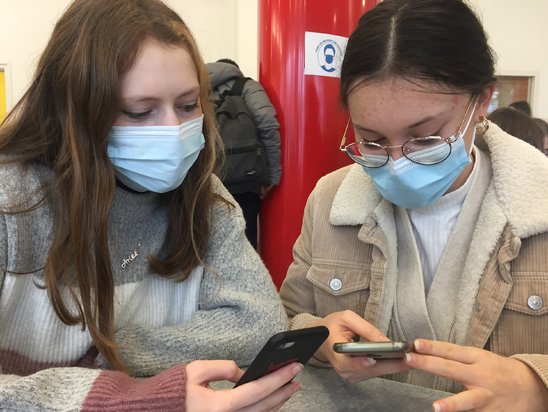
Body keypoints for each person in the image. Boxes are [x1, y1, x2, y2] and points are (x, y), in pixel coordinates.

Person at [0, 1, 302, 410]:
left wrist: (108, 353)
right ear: (74, 110)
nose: (173, 132)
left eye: (188, 105)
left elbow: (259, 323)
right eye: (139, 112)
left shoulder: (205, 198)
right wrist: (132, 396)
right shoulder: (10, 202)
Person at [279, 0, 548, 411]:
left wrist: (535, 384)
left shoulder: (539, 210)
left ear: (481, 102)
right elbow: (289, 317)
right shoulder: (331, 202)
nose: (397, 165)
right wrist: (319, 339)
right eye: (372, 141)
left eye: (425, 138)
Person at [206, 59, 282, 249]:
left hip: (208, 179)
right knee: (245, 243)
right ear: (235, 70)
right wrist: (273, 175)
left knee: (210, 242)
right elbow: (268, 125)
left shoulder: (198, 86)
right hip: (245, 180)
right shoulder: (247, 85)